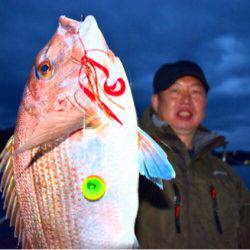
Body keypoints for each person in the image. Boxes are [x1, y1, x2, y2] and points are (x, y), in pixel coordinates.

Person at [135, 60, 250, 248]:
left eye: (196, 91)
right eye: (175, 91)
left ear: (205, 103)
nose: (186, 100)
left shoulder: (227, 175)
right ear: (155, 102)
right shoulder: (128, 160)